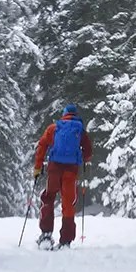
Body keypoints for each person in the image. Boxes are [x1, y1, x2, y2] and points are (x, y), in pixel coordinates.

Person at [33, 103, 93, 249]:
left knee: (48, 197)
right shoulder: (80, 130)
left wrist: (38, 167)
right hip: (71, 170)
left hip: (54, 168)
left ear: (64, 114)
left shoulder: (54, 128)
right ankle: (66, 240)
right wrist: (83, 159)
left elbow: (42, 146)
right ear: (76, 115)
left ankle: (46, 235)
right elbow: (88, 152)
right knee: (68, 203)